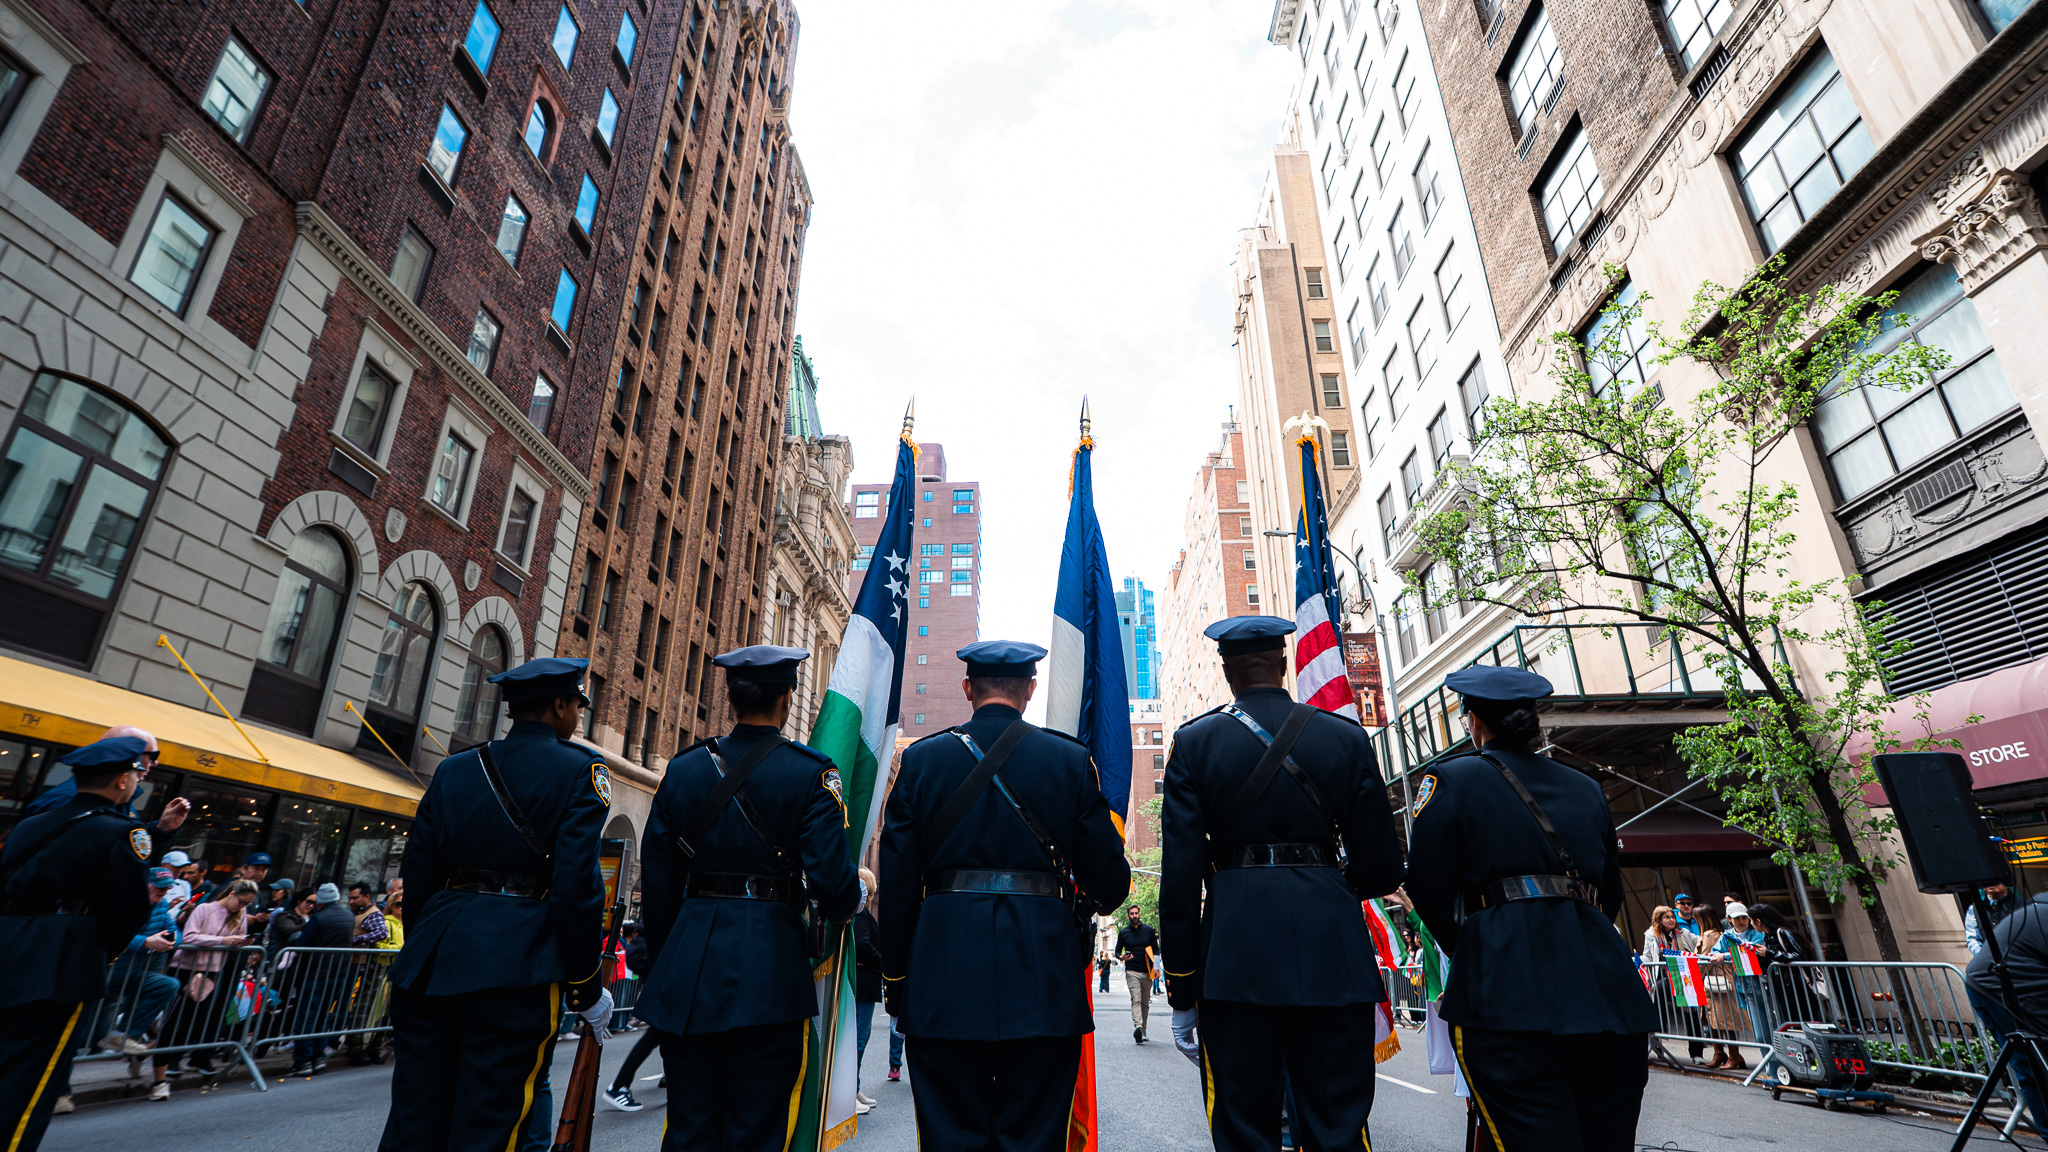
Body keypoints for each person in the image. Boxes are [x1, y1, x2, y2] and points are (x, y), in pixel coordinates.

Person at [1159, 616, 1404, 1152]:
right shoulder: (1343, 737)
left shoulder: (1193, 743)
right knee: (1336, 1121)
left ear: (1227, 673)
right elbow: (1384, 865)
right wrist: (1327, 886)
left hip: (1234, 957)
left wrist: (1181, 984)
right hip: (1331, 948)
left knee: (1246, 1125)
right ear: (1286, 664)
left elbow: (1178, 881)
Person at [880, 640, 1131, 1152]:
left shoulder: (922, 761)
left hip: (943, 977)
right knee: (1036, 1137)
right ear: (1031, 690)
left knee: (950, 1136)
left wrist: (898, 978)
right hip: (1043, 981)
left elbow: (899, 885)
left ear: (967, 688)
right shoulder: (1070, 760)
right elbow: (1110, 885)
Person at [1406, 666, 1658, 1152]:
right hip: (1608, 996)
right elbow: (1607, 895)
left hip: (1506, 999)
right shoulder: (1585, 787)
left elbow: (1427, 887)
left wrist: (1476, 944)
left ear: (1473, 719)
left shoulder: (1450, 779)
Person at [377, 657, 611, 1152]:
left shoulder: (456, 767)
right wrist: (585, 985)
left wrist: (428, 947)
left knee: (415, 1116)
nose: (578, 717)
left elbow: (419, 874)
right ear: (558, 706)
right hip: (517, 964)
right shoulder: (582, 770)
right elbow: (577, 886)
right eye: (577, 706)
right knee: (493, 1120)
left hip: (433, 959)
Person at [636, 644, 860, 1150]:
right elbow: (831, 882)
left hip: (689, 967)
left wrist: (672, 959)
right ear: (787, 697)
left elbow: (659, 879)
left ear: (732, 699)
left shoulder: (685, 768)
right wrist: (854, 896)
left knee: (690, 1126)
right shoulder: (811, 772)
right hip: (772, 972)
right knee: (758, 1130)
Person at [0, 737, 153, 1147]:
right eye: (137, 774)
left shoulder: (30, 824)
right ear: (123, 780)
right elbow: (129, 909)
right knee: (32, 1080)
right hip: (63, 960)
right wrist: (99, 954)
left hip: (8, 944)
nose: (137, 780)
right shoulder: (123, 831)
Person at [157, 877, 258, 1079]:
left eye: (247, 904)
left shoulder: (240, 914)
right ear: (232, 894)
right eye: (241, 902)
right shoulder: (204, 909)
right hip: (186, 967)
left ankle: (174, 1058)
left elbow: (239, 936)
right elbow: (189, 937)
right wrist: (223, 940)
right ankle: (168, 1060)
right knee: (178, 1017)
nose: (243, 907)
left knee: (198, 1017)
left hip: (213, 970)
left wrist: (242, 942)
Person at [1966, 889, 2048, 1138]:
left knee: (2032, 1062)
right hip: (1996, 988)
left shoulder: (2035, 909)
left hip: (2000, 983)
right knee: (2033, 1060)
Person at [22, 725, 189, 837]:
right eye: (152, 755)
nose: (155, 763)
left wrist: (161, 829)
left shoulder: (120, 800)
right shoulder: (64, 800)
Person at [285, 883, 354, 1076]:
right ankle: (318, 1058)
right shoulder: (348, 916)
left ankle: (303, 1061)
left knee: (307, 1016)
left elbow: (302, 944)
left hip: (316, 972)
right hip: (338, 972)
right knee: (323, 1015)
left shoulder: (319, 918)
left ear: (321, 901)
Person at [1710, 903, 1766, 1070]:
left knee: (1772, 1031)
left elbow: (1754, 950)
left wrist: (1725, 955)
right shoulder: (1726, 936)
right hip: (1746, 989)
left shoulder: (1756, 932)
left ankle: (1781, 1068)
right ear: (1729, 920)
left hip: (1764, 986)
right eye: (1737, 918)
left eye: (1744, 917)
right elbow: (1714, 952)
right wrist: (1718, 955)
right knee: (1760, 1035)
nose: (1742, 921)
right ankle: (1771, 1070)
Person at [853, 868, 884, 1113]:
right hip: (863, 982)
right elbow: (863, 944)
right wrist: (882, 962)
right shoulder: (861, 913)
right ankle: (849, 1091)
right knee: (858, 1039)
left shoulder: (860, 912)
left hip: (863, 982)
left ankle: (854, 1087)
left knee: (861, 1038)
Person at [1114, 905, 1158, 1042]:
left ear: (1139, 914)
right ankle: (1138, 1027)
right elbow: (1117, 952)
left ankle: (1143, 1030)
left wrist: (1156, 968)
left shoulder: (1149, 930)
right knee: (1136, 999)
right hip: (1132, 971)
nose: (1134, 916)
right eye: (1132, 914)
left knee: (1145, 1002)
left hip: (1147, 972)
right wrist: (1122, 957)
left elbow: (1156, 950)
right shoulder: (1124, 933)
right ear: (1128, 916)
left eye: (1136, 913)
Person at [1967, 883, 2020, 955]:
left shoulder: (2026, 905)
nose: (1991, 883)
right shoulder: (1974, 909)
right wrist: (1987, 957)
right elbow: (1973, 940)